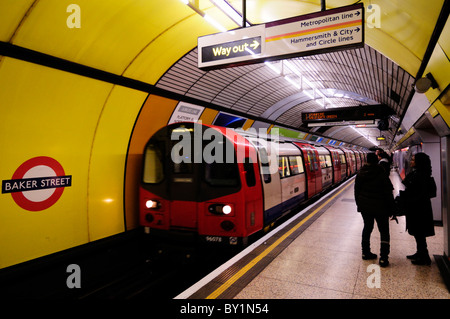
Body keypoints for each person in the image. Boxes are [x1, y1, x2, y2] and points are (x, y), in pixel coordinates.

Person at [354, 152, 395, 267]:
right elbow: (388, 192)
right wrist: (392, 208)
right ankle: (383, 258)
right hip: (381, 207)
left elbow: (356, 191)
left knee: (367, 228)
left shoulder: (361, 173)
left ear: (366, 160)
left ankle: (365, 252)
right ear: (377, 160)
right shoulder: (381, 173)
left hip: (365, 207)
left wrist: (359, 205)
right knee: (384, 231)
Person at [397, 153, 436, 265]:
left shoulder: (421, 175)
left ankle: (424, 256)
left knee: (419, 232)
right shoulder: (420, 173)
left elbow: (417, 192)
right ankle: (420, 252)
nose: (411, 161)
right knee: (418, 233)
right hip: (418, 207)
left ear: (419, 162)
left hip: (419, 209)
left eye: (413, 160)